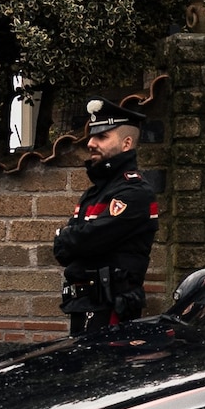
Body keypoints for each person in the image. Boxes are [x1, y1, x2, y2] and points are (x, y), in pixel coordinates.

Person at [52, 97, 160, 335]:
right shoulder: (94, 193)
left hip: (111, 310)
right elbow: (63, 251)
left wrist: (68, 237)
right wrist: (71, 239)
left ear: (126, 143)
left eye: (101, 137)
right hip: (83, 307)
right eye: (92, 136)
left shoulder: (134, 192)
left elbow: (88, 240)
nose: (91, 143)